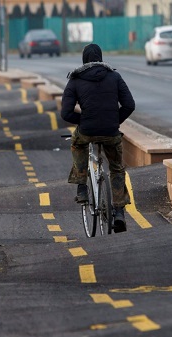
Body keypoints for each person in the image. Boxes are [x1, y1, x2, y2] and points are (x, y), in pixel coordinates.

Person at [61, 43, 136, 233]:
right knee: (117, 168)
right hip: (111, 131)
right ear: (101, 58)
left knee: (78, 144)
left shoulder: (75, 79)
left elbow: (66, 112)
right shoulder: (115, 76)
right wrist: (114, 121)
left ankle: (81, 188)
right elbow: (129, 105)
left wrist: (83, 120)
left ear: (83, 59)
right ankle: (119, 212)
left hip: (86, 130)